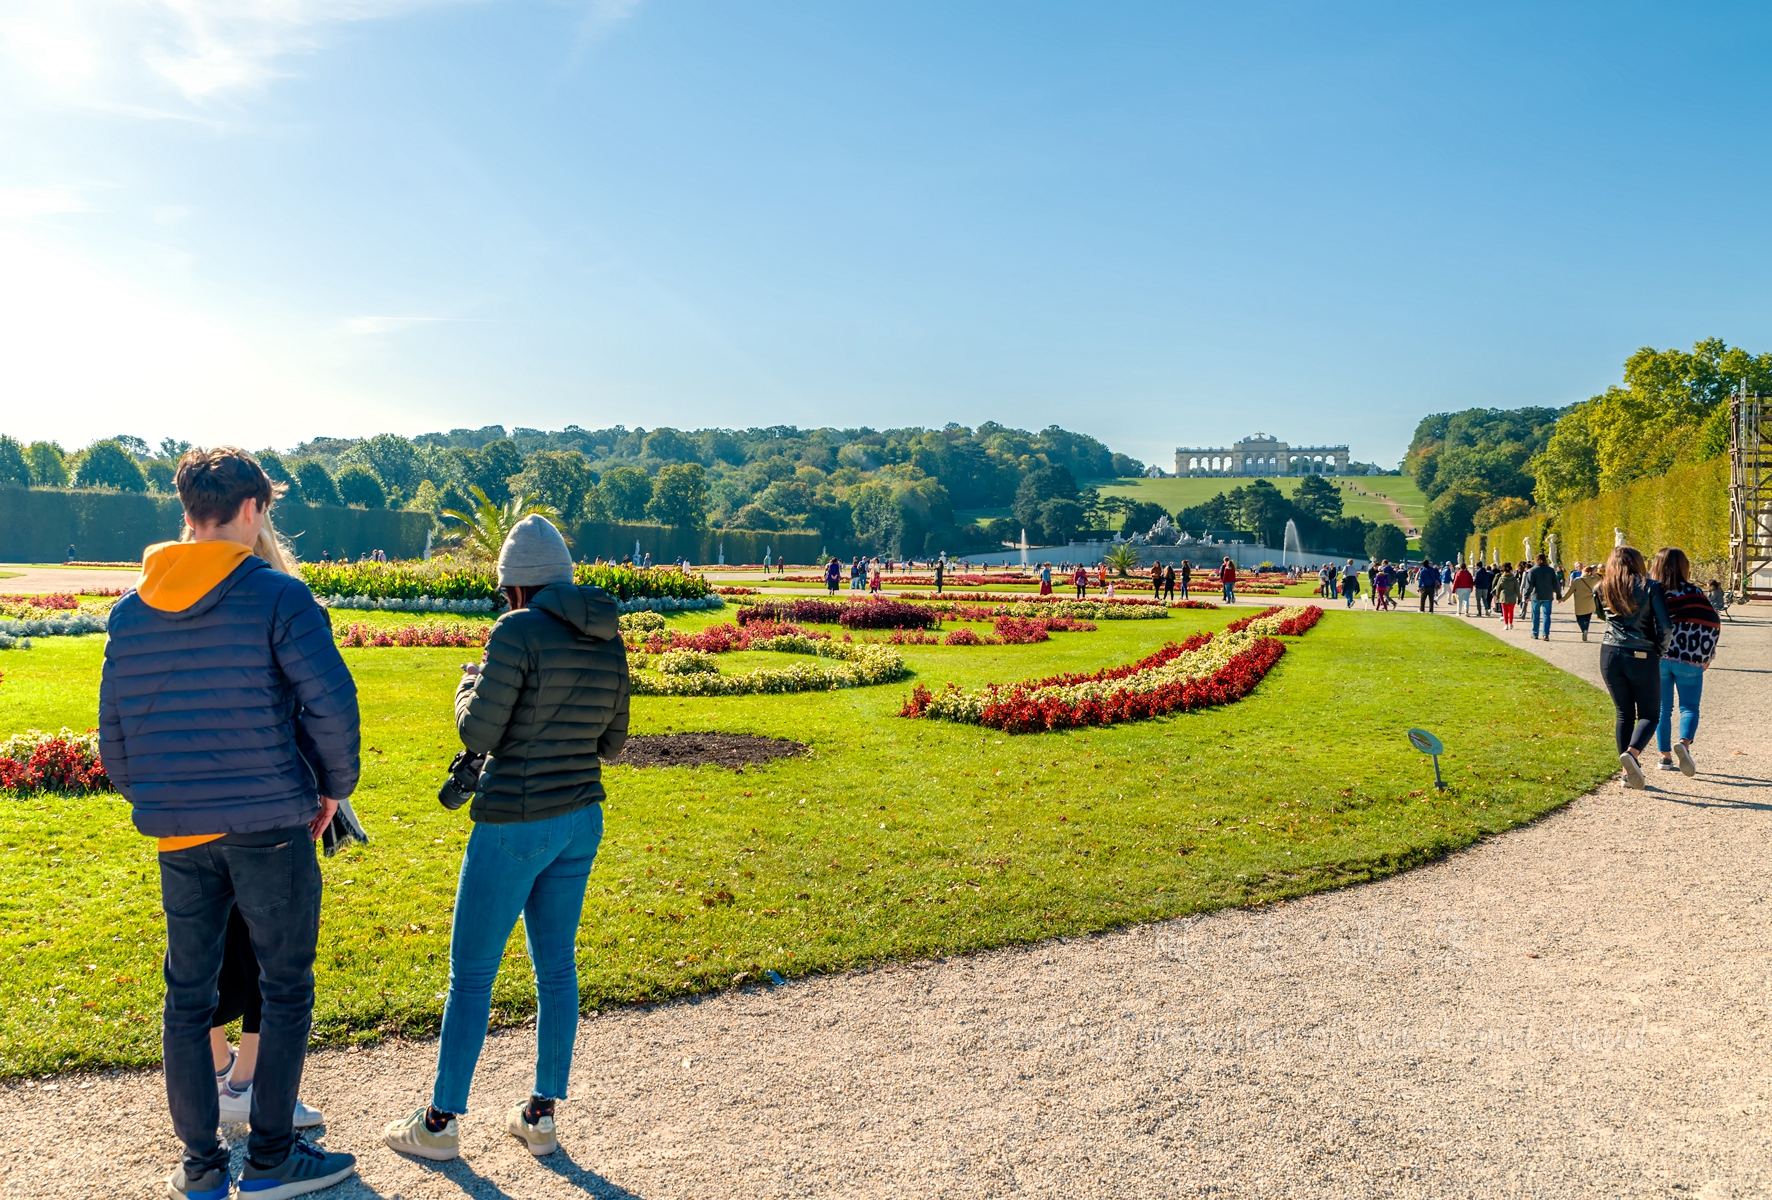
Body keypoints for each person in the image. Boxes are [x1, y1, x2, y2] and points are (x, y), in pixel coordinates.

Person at [101, 448, 360, 1200]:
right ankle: (273, 1156)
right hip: (271, 822)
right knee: (285, 988)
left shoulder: (132, 607)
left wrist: (155, 794)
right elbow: (332, 706)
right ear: (253, 508)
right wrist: (331, 789)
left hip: (181, 831)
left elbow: (112, 730)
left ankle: (203, 1166)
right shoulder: (277, 597)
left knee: (187, 995)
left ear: (188, 511)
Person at [384, 515, 629, 1162]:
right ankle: (540, 1116)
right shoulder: (607, 633)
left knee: (471, 977)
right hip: (581, 817)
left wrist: (468, 684)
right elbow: (613, 743)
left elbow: (478, 735)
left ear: (516, 587)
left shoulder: (515, 631)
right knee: (557, 971)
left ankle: (438, 1124)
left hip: (516, 819)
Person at [1593, 545, 1672, 790]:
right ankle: (1633, 753)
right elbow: (1666, 626)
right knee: (1650, 713)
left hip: (1609, 652)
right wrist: (1660, 648)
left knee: (1623, 713)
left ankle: (1627, 773)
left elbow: (1601, 616)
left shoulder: (1601, 587)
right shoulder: (1651, 587)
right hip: (1641, 652)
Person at [1650, 548, 1719, 776]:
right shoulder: (1695, 593)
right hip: (1689, 659)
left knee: (1663, 709)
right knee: (1689, 707)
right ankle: (1684, 743)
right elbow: (1712, 623)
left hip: (1660, 658)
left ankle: (1664, 756)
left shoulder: (1653, 592)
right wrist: (1706, 655)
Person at [1526, 553, 1563, 640]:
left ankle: (1535, 633)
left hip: (1536, 595)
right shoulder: (1550, 570)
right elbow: (1556, 584)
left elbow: (1529, 585)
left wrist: (1526, 595)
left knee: (1536, 615)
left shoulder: (1533, 570)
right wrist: (1559, 595)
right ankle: (1545, 634)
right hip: (1547, 596)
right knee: (1546, 615)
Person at [1568, 563, 1598, 641]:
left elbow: (1570, 591)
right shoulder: (1593, 580)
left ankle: (1584, 629)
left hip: (1579, 602)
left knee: (1579, 617)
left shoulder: (1577, 580)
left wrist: (1563, 599)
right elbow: (1601, 581)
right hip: (1590, 602)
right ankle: (1586, 630)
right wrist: (1595, 574)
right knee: (1587, 618)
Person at [1493, 561, 1520, 629]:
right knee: (1511, 611)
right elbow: (1517, 589)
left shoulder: (1501, 578)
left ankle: (1506, 624)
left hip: (1504, 596)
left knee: (1505, 611)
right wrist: (1519, 598)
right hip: (1512, 596)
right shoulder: (1514, 579)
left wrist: (1497, 596)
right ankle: (1511, 623)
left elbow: (1498, 588)